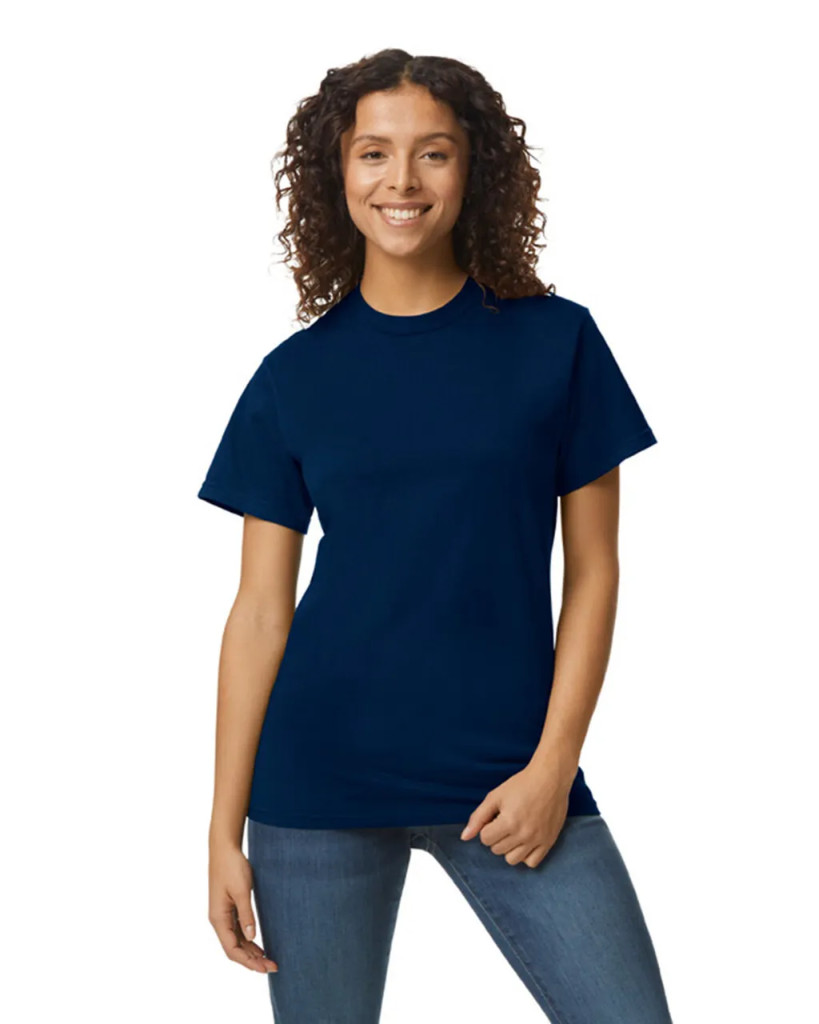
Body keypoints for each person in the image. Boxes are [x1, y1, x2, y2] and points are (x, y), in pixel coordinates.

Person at [198, 49, 674, 1024]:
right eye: (374, 152)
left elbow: (594, 572)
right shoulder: (294, 377)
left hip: (510, 778)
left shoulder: (557, 343)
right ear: (337, 173)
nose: (402, 181)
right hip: (317, 781)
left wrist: (553, 766)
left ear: (473, 168)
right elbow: (258, 614)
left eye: (434, 152)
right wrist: (220, 828)